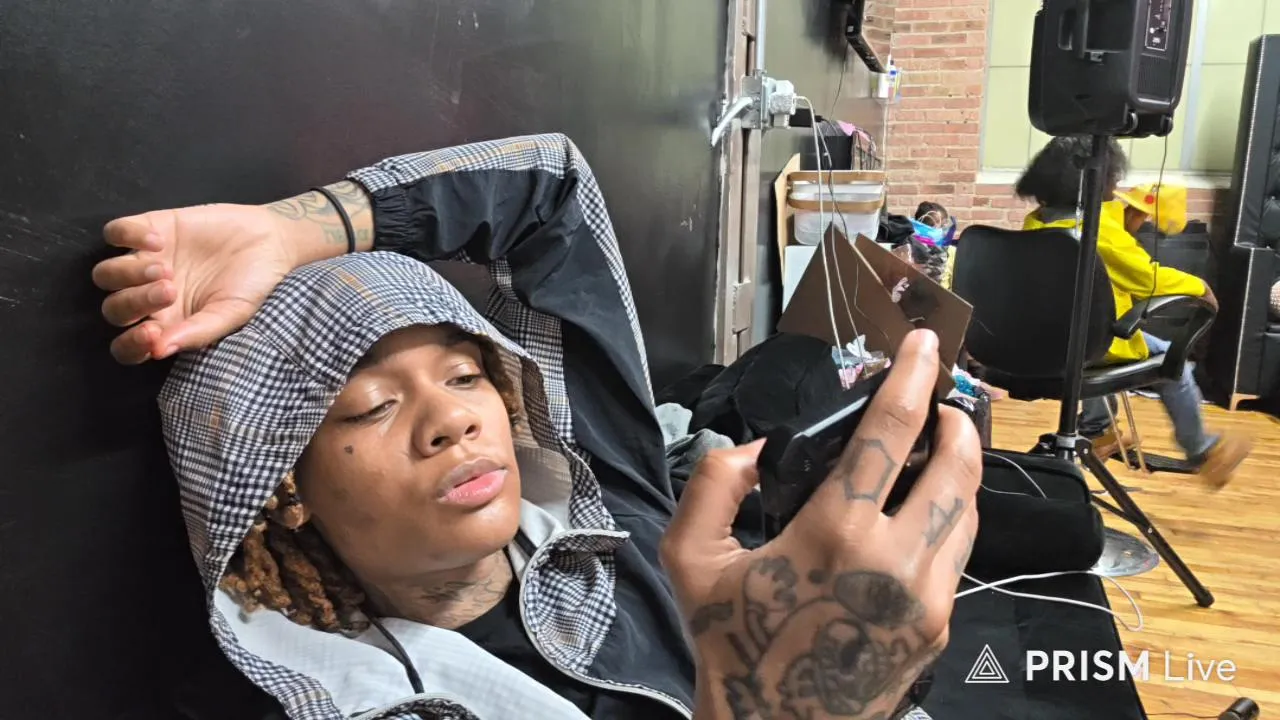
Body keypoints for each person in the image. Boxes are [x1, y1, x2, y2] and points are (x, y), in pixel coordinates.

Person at [92, 134, 980, 720]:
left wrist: (300, 229)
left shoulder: (605, 510)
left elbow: (551, 192)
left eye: (466, 374)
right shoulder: (344, 701)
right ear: (282, 488)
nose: (452, 419)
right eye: (372, 406)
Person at [1016, 136, 1250, 488]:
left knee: (1087, 339)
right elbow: (1147, 280)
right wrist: (1199, 287)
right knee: (1172, 362)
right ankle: (1200, 450)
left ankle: (1097, 428)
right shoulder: (1097, 230)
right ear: (1097, 179)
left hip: (1045, 344)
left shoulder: (1035, 223)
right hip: (1094, 346)